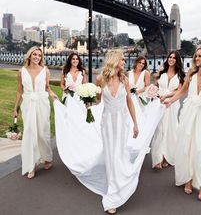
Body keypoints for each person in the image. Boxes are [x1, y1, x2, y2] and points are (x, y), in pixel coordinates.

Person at [53, 50, 165, 214]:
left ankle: (115, 190)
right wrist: (88, 100)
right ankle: (114, 185)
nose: (124, 62)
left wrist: (135, 124)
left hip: (121, 122)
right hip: (106, 123)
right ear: (114, 60)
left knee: (117, 152)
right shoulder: (101, 79)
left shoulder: (124, 79)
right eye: (122, 60)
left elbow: (129, 102)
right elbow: (98, 100)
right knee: (110, 152)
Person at [163, 46, 201, 201]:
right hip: (188, 111)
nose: (196, 59)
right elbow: (182, 91)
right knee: (186, 146)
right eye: (196, 56)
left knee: (200, 149)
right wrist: (170, 100)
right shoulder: (191, 73)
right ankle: (188, 180)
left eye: (200, 56)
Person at [13, 46, 58, 179]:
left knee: (43, 132)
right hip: (27, 104)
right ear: (29, 56)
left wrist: (53, 95)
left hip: (42, 103)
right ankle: (30, 165)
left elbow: (47, 88)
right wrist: (15, 108)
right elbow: (19, 91)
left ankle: (47, 158)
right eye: (35, 54)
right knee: (29, 133)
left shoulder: (45, 71)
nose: (37, 57)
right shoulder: (21, 72)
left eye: (39, 55)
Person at [151, 51, 185, 169]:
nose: (171, 59)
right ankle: (158, 158)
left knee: (170, 129)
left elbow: (179, 91)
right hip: (159, 103)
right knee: (160, 129)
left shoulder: (180, 75)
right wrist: (153, 92)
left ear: (177, 60)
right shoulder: (161, 72)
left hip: (172, 104)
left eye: (174, 58)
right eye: (170, 57)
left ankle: (167, 157)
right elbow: (156, 86)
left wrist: (168, 96)